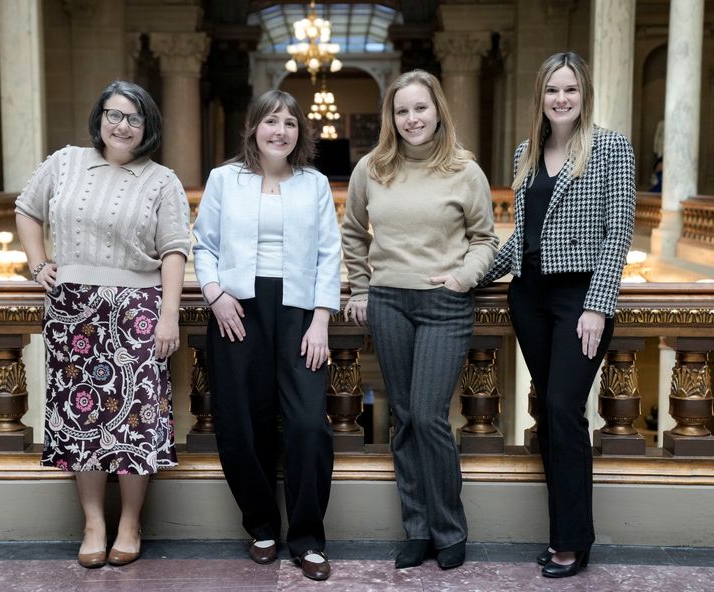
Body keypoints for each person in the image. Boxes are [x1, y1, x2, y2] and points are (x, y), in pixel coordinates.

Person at [15, 80, 190, 569]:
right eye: (113, 115)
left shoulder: (162, 180)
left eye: (133, 118)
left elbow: (175, 249)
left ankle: (130, 521)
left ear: (147, 127)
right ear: (100, 118)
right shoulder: (65, 162)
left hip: (136, 311)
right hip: (71, 309)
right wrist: (37, 262)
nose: (121, 125)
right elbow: (27, 210)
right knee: (81, 418)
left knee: (134, 421)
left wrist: (169, 315)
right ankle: (93, 521)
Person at [478, 52, 635, 578]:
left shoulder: (611, 147)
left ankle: (572, 541)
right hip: (530, 298)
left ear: (583, 94)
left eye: (569, 90)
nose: (561, 99)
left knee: (566, 412)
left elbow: (618, 233)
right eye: (551, 91)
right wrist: (465, 276)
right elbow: (519, 243)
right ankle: (562, 534)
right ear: (540, 97)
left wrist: (596, 304)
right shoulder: (527, 151)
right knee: (550, 414)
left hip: (578, 298)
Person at [341, 69, 498, 570]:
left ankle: (449, 530)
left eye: (420, 108)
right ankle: (416, 529)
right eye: (402, 110)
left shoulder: (464, 170)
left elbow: (485, 239)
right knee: (404, 418)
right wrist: (363, 289)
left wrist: (461, 279)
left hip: (444, 306)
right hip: (388, 303)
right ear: (392, 116)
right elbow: (353, 234)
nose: (412, 119)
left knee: (430, 417)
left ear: (437, 111)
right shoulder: (373, 167)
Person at [193, 90, 341, 581]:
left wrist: (321, 319)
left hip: (300, 313)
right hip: (237, 310)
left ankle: (307, 538)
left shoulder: (314, 184)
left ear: (301, 132)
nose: (281, 131)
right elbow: (203, 244)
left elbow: (328, 254)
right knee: (241, 423)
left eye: (291, 123)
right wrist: (215, 295)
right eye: (271, 122)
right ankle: (260, 527)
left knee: (307, 426)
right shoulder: (223, 179)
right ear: (253, 127)